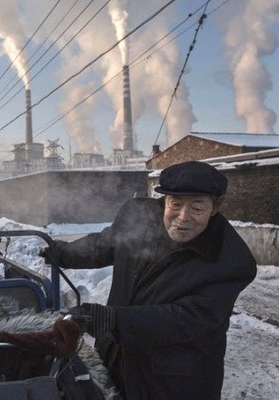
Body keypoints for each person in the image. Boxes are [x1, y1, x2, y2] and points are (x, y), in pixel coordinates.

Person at [39, 161, 257, 400]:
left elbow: (185, 319)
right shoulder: (140, 218)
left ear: (216, 206)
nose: (183, 218)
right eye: (176, 204)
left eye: (197, 208)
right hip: (116, 359)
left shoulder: (230, 262)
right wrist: (59, 253)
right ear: (164, 200)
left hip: (172, 381)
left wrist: (113, 320)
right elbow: (102, 246)